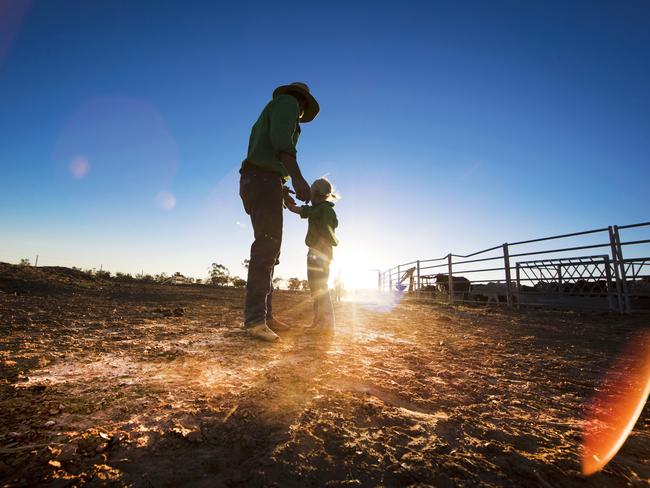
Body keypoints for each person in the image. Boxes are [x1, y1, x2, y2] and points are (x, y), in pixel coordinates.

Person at [239, 82, 320, 342]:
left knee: (271, 249)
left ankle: (265, 315)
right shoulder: (287, 104)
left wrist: (282, 188)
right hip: (262, 179)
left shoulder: (273, 110)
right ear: (302, 103)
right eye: (303, 110)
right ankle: (255, 320)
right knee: (267, 247)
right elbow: (281, 144)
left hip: (262, 180)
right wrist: (297, 178)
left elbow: (268, 155)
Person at [284, 177, 339, 333]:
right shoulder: (315, 209)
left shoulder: (326, 210)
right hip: (314, 252)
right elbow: (295, 209)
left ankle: (326, 323)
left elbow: (327, 233)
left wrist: (319, 252)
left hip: (320, 252)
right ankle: (319, 321)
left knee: (320, 287)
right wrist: (284, 198)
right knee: (315, 289)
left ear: (314, 193)